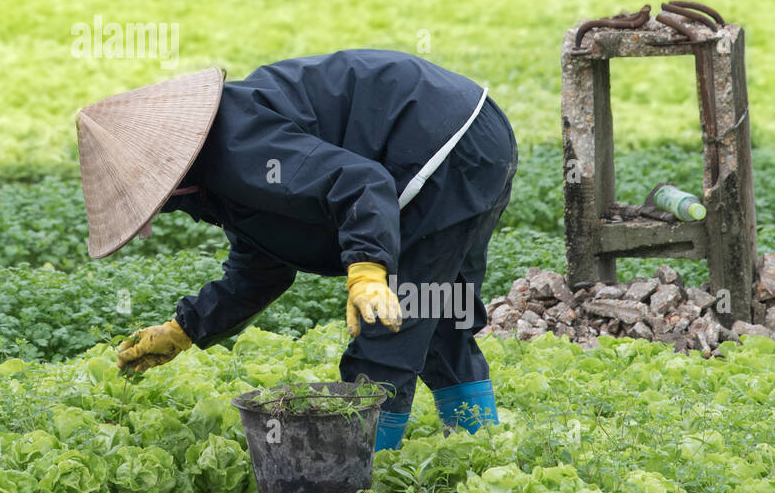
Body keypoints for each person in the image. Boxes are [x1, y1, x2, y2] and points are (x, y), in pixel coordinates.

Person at [75, 50, 517, 452]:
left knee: (391, 319)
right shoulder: (220, 161)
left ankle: (365, 473)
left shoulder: (238, 149)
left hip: (441, 144)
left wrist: (368, 269)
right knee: (437, 307)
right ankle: (477, 444)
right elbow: (262, 266)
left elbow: (360, 182)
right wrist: (186, 327)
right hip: (473, 137)